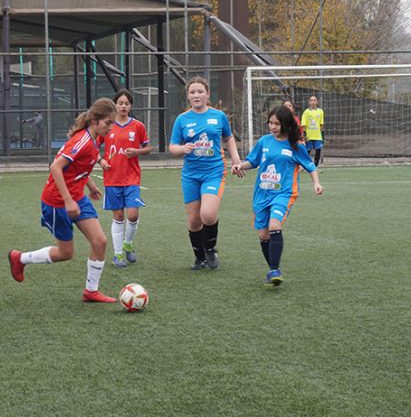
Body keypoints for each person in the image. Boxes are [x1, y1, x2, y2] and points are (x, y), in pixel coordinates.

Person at [8, 98, 118, 303]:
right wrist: (68, 201)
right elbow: (55, 167)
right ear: (94, 121)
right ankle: (20, 258)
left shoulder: (97, 138)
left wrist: (90, 185)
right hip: (57, 201)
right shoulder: (82, 141)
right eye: (108, 123)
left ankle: (91, 291)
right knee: (66, 253)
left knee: (100, 242)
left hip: (77, 197)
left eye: (113, 123)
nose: (110, 127)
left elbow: (78, 167)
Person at [232, 105, 323, 286]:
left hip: (283, 193)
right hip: (262, 193)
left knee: (274, 225)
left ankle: (274, 270)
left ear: (286, 124)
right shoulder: (264, 141)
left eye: (277, 124)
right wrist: (240, 166)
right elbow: (253, 161)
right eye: (270, 123)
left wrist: (316, 183)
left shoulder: (295, 146)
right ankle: (273, 269)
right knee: (263, 235)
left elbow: (310, 166)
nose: (273, 127)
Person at [169, 76, 243, 270]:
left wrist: (236, 160)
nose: (196, 95)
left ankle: (210, 249)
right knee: (194, 221)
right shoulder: (182, 119)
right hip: (191, 175)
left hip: (214, 172)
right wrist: (182, 148)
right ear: (188, 96)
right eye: (192, 92)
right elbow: (172, 147)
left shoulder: (218, 116)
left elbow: (228, 138)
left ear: (207, 94)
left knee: (208, 215)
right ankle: (199, 257)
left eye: (200, 91)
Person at [98, 89, 151, 268]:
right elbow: (94, 146)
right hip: (112, 178)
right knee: (119, 216)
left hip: (132, 178)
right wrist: (101, 160)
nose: (123, 106)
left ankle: (128, 243)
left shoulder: (138, 126)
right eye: (120, 103)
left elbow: (148, 148)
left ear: (130, 106)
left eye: (126, 103)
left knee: (133, 215)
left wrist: (137, 151)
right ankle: (118, 254)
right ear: (115, 105)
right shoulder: (107, 126)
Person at [300, 95, 325, 166]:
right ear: (309, 102)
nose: (313, 102)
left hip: (318, 136)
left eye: (314, 100)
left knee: (318, 151)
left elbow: (321, 124)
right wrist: (304, 136)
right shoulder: (306, 112)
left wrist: (323, 136)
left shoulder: (320, 111)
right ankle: (307, 166)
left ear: (317, 102)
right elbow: (303, 125)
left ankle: (315, 166)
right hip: (309, 136)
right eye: (311, 100)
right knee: (307, 151)